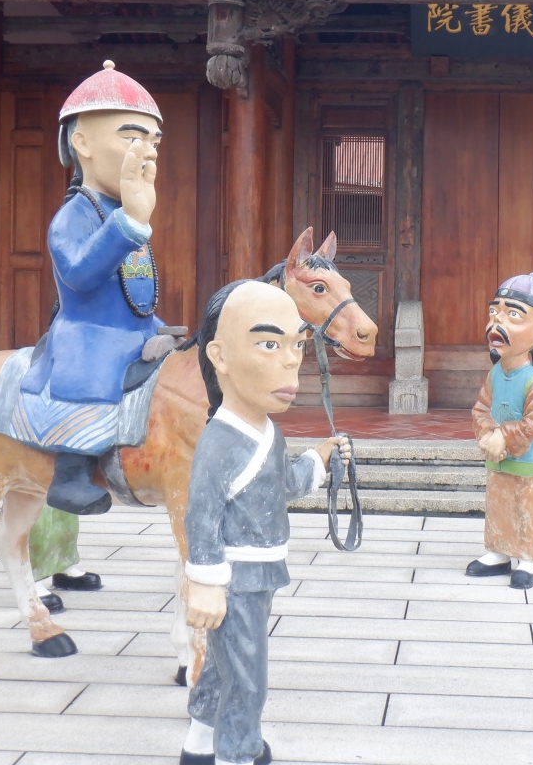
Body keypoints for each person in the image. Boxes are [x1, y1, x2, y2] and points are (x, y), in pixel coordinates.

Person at [181, 280, 351, 765]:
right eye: (269, 345)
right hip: (234, 576)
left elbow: (283, 484)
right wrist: (205, 582)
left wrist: (318, 460)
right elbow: (201, 516)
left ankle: (199, 742)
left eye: (297, 345)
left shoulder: (267, 431)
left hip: (262, 572)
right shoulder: (219, 441)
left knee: (226, 664)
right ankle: (237, 753)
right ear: (220, 356)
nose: (291, 361)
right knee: (247, 675)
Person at [12, 60, 169, 516]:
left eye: (154, 141)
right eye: (132, 137)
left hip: (137, 325)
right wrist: (129, 223)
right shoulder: (75, 215)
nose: (148, 152)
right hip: (91, 332)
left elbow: (136, 283)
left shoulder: (127, 211)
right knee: (93, 375)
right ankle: (71, 473)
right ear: (82, 144)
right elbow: (79, 274)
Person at [465, 273, 533, 590]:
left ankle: (529, 557)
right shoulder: (494, 374)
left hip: (526, 459)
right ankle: (498, 552)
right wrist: (487, 435)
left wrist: (503, 436)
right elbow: (480, 408)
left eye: (513, 314)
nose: (497, 323)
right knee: (499, 502)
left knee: (527, 506)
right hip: (498, 456)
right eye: (494, 312)